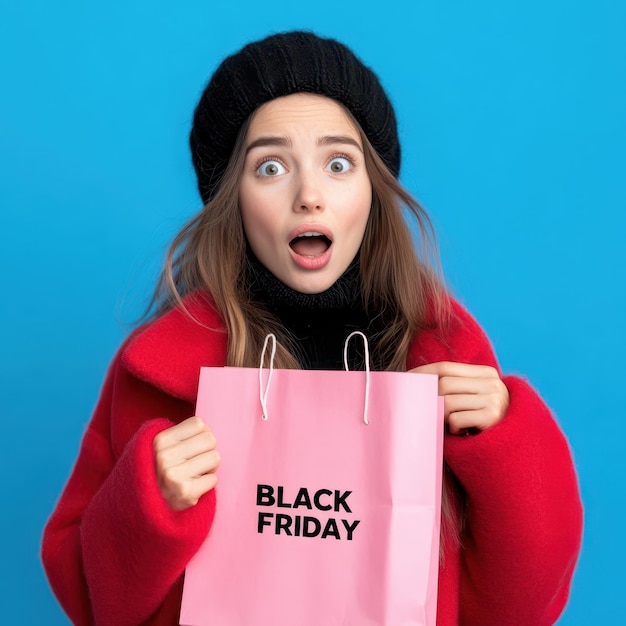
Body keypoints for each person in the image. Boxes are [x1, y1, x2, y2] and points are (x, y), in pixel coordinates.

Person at [42, 31, 583, 625]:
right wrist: (147, 504)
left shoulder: (442, 350)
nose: (309, 195)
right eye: (270, 167)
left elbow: (524, 607)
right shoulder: (159, 369)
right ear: (234, 199)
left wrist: (507, 441)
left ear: (373, 191)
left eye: (339, 162)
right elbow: (91, 603)